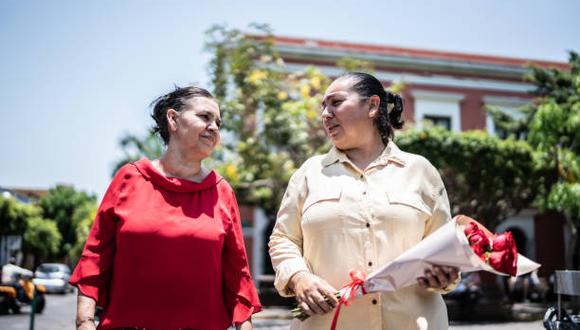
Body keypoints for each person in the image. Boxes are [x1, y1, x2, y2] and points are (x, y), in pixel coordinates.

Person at [269, 72, 460, 330]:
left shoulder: (421, 171)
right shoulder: (309, 173)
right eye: (323, 106)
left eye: (335, 103)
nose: (325, 113)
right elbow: (283, 239)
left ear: (372, 106)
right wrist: (299, 277)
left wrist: (445, 275)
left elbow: (445, 248)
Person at [70, 87, 261, 330]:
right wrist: (84, 321)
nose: (214, 127)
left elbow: (237, 277)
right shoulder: (129, 178)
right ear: (173, 119)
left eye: (218, 123)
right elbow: (94, 258)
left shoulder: (222, 191)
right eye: (205, 117)